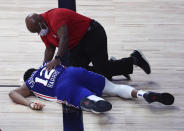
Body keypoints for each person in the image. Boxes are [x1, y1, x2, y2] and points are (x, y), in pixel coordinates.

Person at [25, 8, 151, 80]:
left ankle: (135, 59)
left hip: (92, 35)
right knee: (76, 74)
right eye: (36, 32)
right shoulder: (43, 30)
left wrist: (58, 59)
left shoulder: (54, 17)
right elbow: (49, 49)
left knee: (102, 73)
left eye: (38, 30)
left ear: (41, 22)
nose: (39, 33)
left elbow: (64, 38)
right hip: (76, 46)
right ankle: (112, 65)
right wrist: (43, 67)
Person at [9, 63, 174, 113]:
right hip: (75, 72)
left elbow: (13, 93)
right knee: (115, 89)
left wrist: (30, 104)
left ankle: (93, 102)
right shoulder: (46, 65)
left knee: (87, 100)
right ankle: (142, 93)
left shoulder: (30, 83)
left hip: (64, 87)